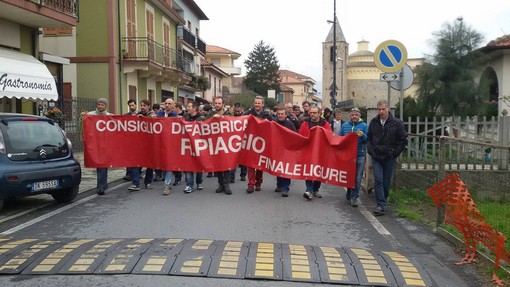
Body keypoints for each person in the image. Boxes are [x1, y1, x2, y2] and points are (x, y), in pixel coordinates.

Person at [367, 100, 407, 216]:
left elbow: (402, 139)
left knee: (385, 182)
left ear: (388, 109)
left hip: (389, 156)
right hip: (376, 156)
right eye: (379, 109)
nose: (381, 111)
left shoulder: (396, 123)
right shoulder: (374, 122)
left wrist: (395, 153)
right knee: (378, 180)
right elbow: (369, 137)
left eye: (383, 109)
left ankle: (383, 200)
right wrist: (371, 150)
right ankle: (380, 205)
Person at [298, 106, 332, 200]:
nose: (312, 114)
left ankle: (315, 190)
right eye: (311, 113)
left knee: (318, 171)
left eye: (314, 113)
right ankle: (309, 190)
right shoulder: (305, 123)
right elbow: (301, 136)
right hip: (308, 151)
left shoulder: (325, 124)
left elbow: (329, 136)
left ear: (319, 113)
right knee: (308, 170)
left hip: (320, 151)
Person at [243, 96, 274, 193]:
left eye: (259, 103)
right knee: (250, 165)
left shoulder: (267, 115)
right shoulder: (248, 114)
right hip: (251, 142)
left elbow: (274, 124)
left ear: (262, 104)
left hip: (262, 143)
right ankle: (251, 184)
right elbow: (240, 121)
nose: (257, 105)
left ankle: (258, 183)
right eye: (256, 103)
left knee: (261, 164)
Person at [340, 107, 368, 207]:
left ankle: (355, 197)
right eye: (352, 115)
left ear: (359, 116)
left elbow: (368, 140)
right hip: (348, 156)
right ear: (349, 116)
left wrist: (363, 135)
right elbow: (340, 138)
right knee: (348, 176)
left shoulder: (364, 126)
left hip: (359, 155)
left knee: (358, 178)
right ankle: (349, 191)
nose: (354, 116)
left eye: (356, 115)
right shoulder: (344, 126)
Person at [128, 99, 157, 192]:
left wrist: (149, 119)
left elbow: (156, 121)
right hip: (139, 145)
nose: (142, 107)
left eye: (144, 105)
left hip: (150, 145)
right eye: (141, 105)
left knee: (149, 165)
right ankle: (135, 183)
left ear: (149, 106)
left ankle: (148, 182)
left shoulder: (153, 115)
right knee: (135, 163)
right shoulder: (137, 115)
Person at [207, 97, 233, 195]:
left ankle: (227, 185)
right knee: (217, 164)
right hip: (214, 142)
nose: (217, 105)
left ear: (223, 104)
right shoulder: (209, 114)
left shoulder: (229, 114)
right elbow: (204, 125)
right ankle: (220, 184)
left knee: (226, 164)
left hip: (226, 142)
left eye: (219, 103)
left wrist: (221, 118)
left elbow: (234, 123)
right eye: (216, 103)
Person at [85, 98, 111, 195]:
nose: (100, 106)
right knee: (100, 165)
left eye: (102, 105)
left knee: (104, 165)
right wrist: (83, 117)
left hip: (106, 145)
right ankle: (101, 186)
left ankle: (102, 185)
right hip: (95, 144)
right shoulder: (90, 115)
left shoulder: (109, 116)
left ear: (105, 106)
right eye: (99, 104)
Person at [157, 98, 178, 195]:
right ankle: (167, 181)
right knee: (164, 164)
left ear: (173, 105)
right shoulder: (159, 114)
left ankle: (167, 185)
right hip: (161, 143)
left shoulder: (175, 116)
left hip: (171, 144)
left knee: (169, 164)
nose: (167, 105)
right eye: (165, 103)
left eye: (169, 103)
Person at [274, 107, 297, 197]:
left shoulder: (290, 124)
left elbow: (295, 136)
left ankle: (285, 188)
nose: (280, 115)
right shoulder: (274, 123)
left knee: (286, 169)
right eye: (278, 114)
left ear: (285, 115)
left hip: (287, 150)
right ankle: (279, 185)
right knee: (277, 168)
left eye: (282, 114)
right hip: (277, 149)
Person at [183, 101, 205, 193]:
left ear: (194, 108)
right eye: (187, 106)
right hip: (188, 145)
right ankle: (189, 184)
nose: (187, 108)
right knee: (188, 165)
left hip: (198, 145)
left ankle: (199, 182)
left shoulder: (201, 118)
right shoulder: (185, 118)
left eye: (189, 106)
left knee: (199, 164)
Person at [229, 103, 247, 182]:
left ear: (240, 109)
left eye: (238, 111)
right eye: (235, 111)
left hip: (243, 140)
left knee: (243, 159)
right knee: (233, 160)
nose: (237, 112)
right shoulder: (230, 117)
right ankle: (231, 177)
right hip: (233, 141)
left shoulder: (245, 117)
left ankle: (243, 175)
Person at [123, 99, 138, 181]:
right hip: (129, 140)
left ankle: (136, 173)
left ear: (135, 105)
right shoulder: (125, 116)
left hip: (138, 141)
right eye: (130, 105)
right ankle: (128, 174)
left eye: (133, 105)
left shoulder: (140, 115)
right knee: (128, 157)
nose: (131, 107)